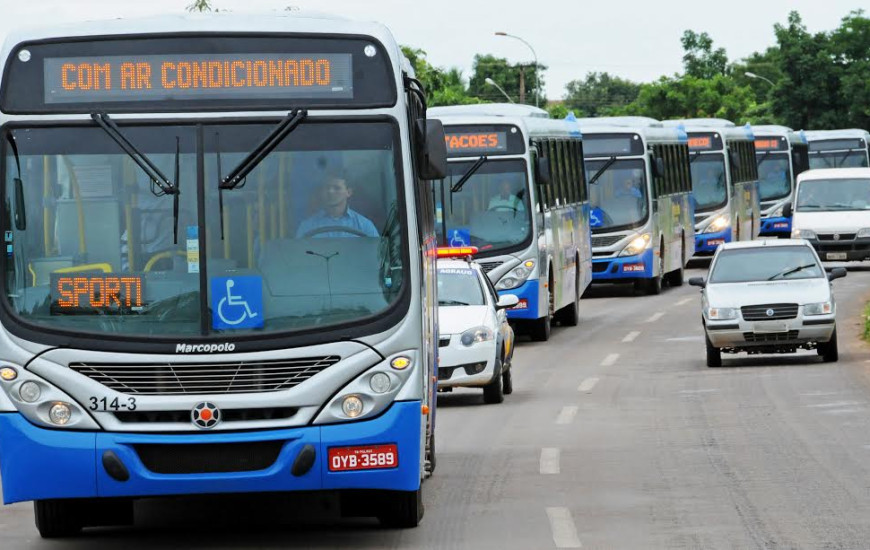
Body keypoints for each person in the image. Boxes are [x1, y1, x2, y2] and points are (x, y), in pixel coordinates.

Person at [296, 176, 379, 238]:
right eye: (327, 188)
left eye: (337, 188)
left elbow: (377, 256)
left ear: (349, 192)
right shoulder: (307, 226)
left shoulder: (365, 225)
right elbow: (298, 256)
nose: (330, 191)